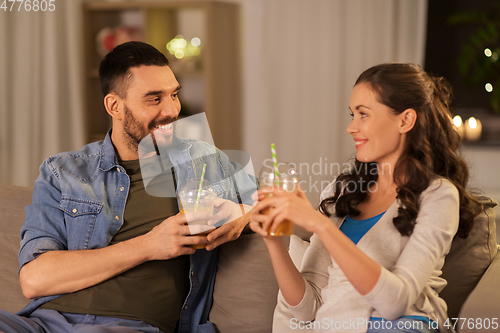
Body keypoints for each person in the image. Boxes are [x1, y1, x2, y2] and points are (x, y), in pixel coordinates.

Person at [0, 41, 256, 333]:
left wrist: (243, 212)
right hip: (41, 323)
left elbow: (281, 201)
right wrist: (149, 245)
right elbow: (34, 280)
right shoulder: (62, 171)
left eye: (174, 95)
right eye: (154, 99)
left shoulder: (200, 160)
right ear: (114, 106)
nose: (172, 110)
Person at [250, 63, 482, 333]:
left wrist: (319, 225)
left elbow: (395, 304)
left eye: (363, 115)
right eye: (352, 115)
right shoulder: (342, 195)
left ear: (405, 120)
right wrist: (275, 245)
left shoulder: (438, 196)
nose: (351, 127)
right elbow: (306, 309)